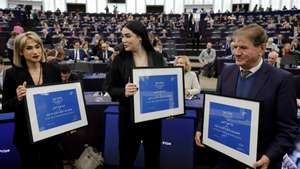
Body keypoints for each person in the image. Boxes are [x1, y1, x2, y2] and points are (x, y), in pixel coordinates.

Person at [195, 24, 298, 169]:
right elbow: (214, 108)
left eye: (243, 48)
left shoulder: (282, 80)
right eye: (234, 47)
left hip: (259, 161)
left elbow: (288, 130)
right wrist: (202, 127)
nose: (236, 52)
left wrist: (269, 156)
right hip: (226, 158)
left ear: (261, 48)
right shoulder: (227, 72)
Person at [107, 20, 166, 169]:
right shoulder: (119, 59)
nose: (123, 40)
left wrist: (169, 105)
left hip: (153, 120)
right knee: (126, 160)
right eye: (122, 37)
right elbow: (108, 87)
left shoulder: (157, 57)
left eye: (127, 36)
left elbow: (163, 85)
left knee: (153, 160)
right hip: (128, 121)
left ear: (140, 37)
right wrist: (123, 91)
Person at [2, 31, 63, 169]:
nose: (35, 51)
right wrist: (17, 98)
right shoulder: (12, 74)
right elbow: (5, 106)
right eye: (29, 48)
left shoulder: (53, 69)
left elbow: (59, 98)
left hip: (52, 134)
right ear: (21, 52)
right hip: (26, 136)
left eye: (37, 46)